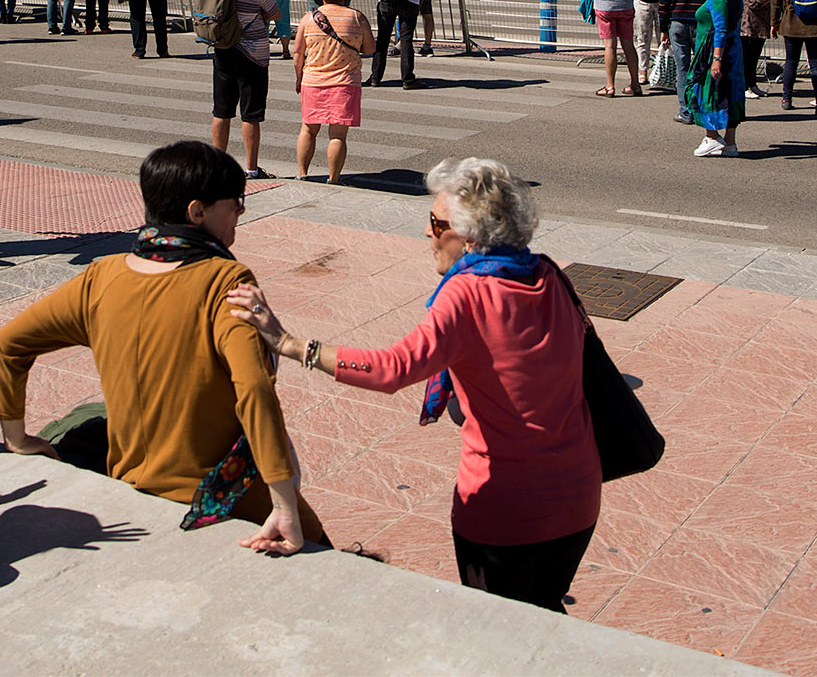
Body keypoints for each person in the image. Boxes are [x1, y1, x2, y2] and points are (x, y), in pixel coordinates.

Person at [227, 157, 597, 609]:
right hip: (578, 498)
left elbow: (394, 369)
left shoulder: (468, 293)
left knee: (496, 632)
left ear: (470, 237)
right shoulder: (545, 273)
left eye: (436, 223)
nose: (427, 233)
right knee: (546, 615)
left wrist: (290, 344)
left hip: (506, 509)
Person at [0, 141, 324, 554]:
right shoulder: (225, 282)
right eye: (236, 203)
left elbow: (8, 343)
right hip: (224, 497)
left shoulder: (101, 277)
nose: (240, 213)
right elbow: (253, 389)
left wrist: (16, 438)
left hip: (131, 481)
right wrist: (284, 503)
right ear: (197, 212)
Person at [207, 0, 280, 178]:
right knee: (250, 114)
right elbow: (274, 12)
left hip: (223, 47)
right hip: (252, 53)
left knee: (221, 111)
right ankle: (251, 168)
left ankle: (218, 166)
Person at [296, 0, 373, 182]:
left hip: (313, 81)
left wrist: (299, 77)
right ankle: (334, 177)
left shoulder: (308, 18)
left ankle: (303, 172)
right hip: (345, 83)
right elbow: (370, 48)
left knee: (308, 130)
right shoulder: (357, 17)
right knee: (338, 136)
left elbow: (297, 53)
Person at [687, 0, 747, 157]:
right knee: (730, 93)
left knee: (708, 93)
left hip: (716, 53)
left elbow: (720, 29)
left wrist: (716, 59)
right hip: (734, 52)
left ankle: (712, 137)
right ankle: (730, 142)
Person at [656, 0, 709, 120]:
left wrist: (663, 30)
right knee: (703, 67)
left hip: (677, 24)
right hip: (700, 25)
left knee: (683, 69)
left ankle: (685, 111)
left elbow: (663, 5)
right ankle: (703, 108)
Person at [733, 0, 773, 99]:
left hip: (758, 26)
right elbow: (752, 2)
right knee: (746, 58)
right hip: (747, 27)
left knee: (754, 58)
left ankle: (752, 84)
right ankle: (743, 86)